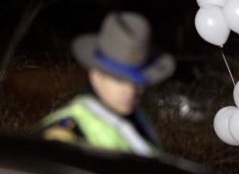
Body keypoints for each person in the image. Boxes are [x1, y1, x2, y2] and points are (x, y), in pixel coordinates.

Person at [38, 11, 175, 157]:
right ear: (95, 76)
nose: (130, 90)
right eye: (119, 79)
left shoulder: (137, 121)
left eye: (137, 81)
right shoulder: (69, 132)